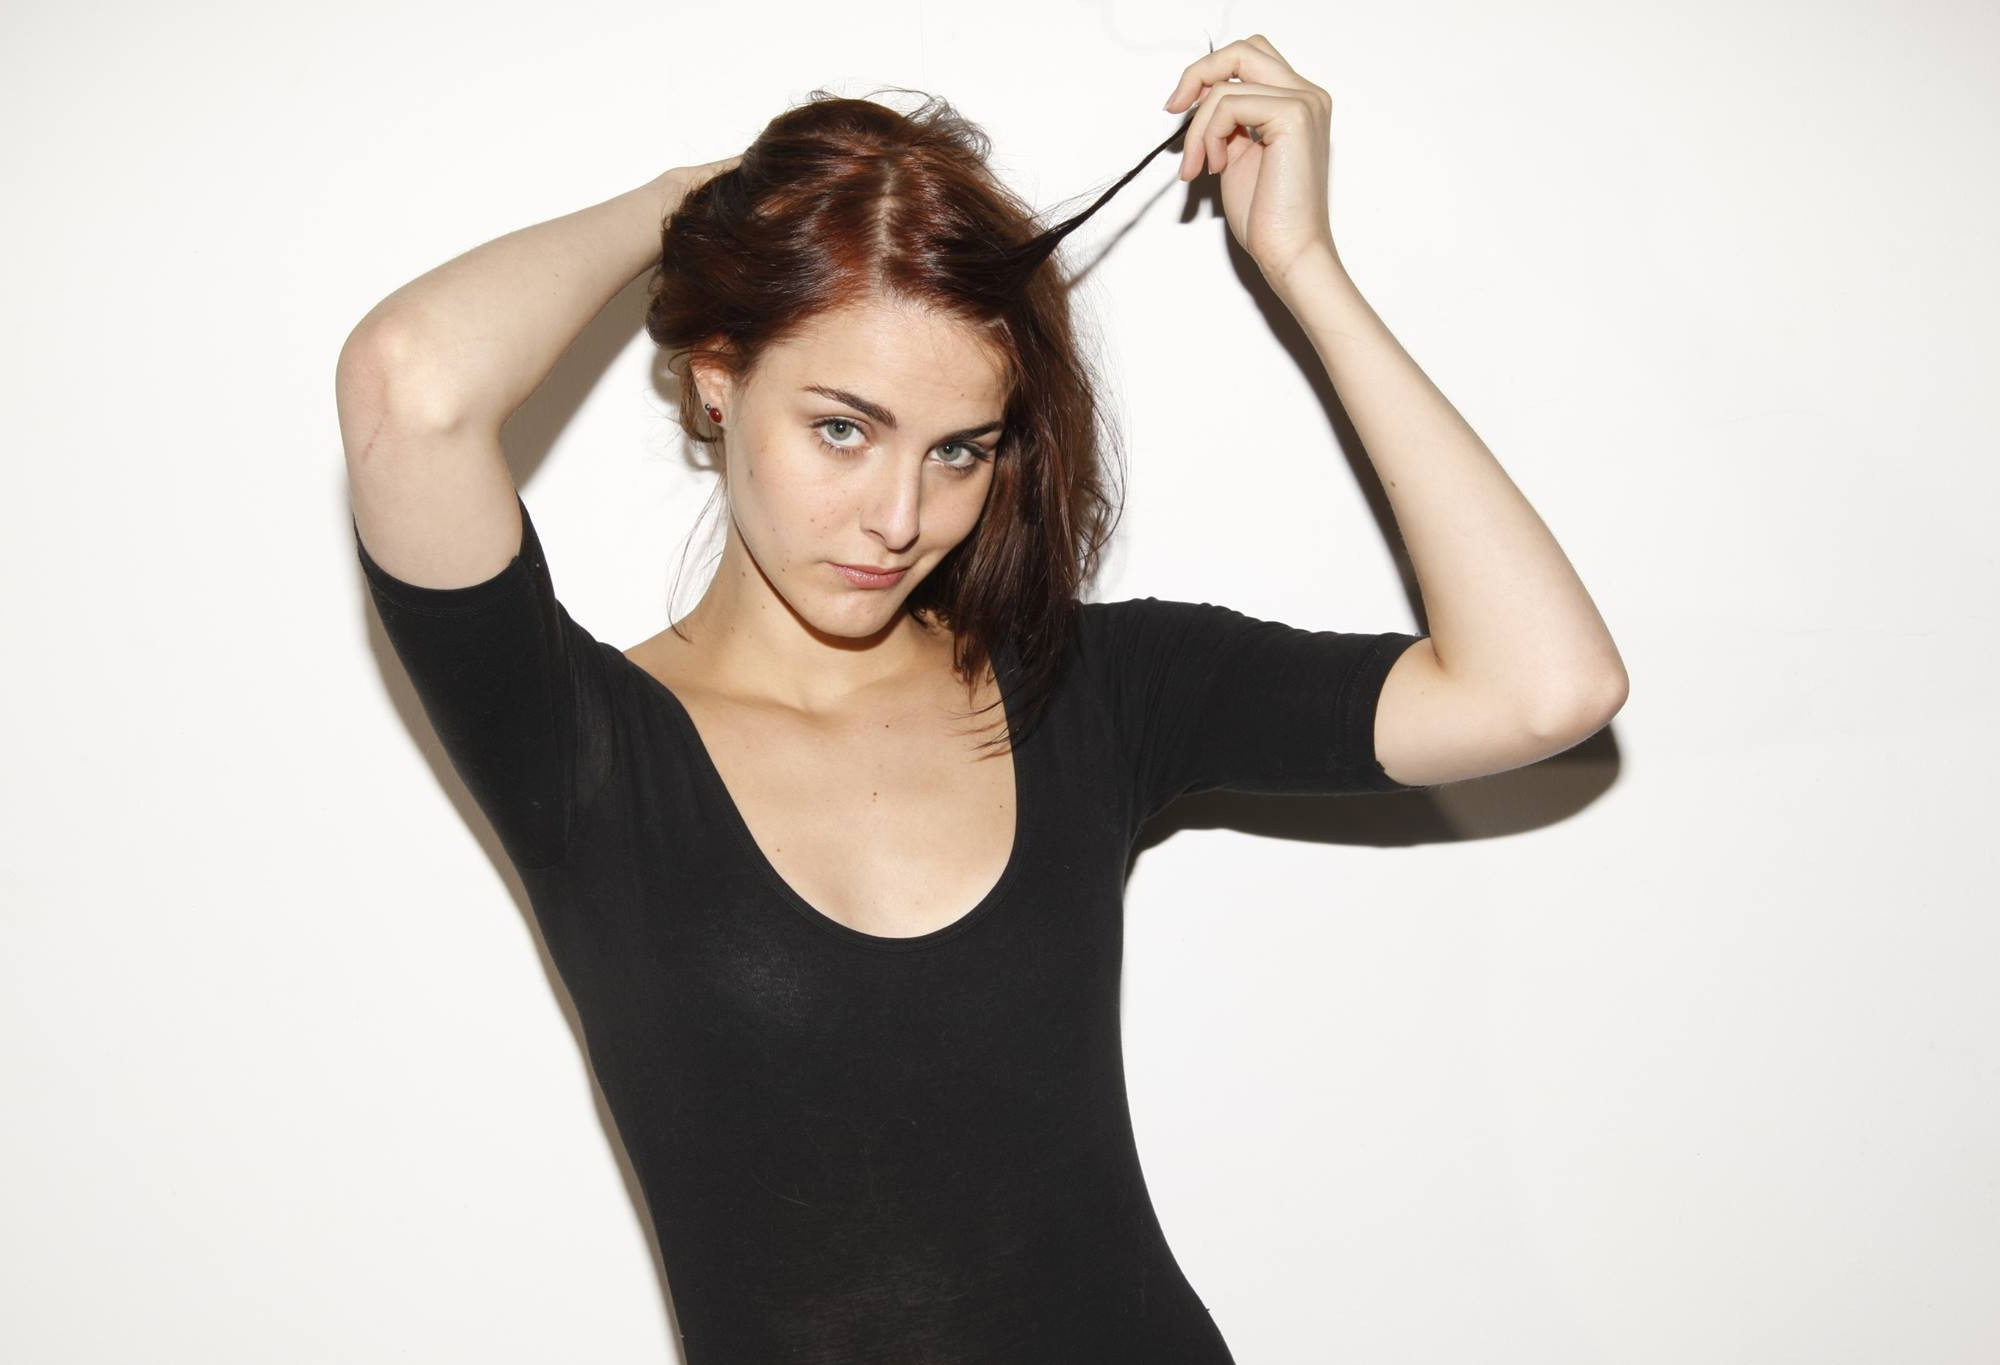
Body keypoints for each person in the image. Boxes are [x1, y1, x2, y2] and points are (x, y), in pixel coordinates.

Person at [338, 34, 1626, 1364]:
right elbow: (407, 386)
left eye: (958, 451)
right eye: (844, 428)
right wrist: (698, 205)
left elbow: (1546, 687)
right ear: (718, 378)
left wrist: (1303, 264)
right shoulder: (582, 751)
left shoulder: (1090, 689)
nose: (900, 517)